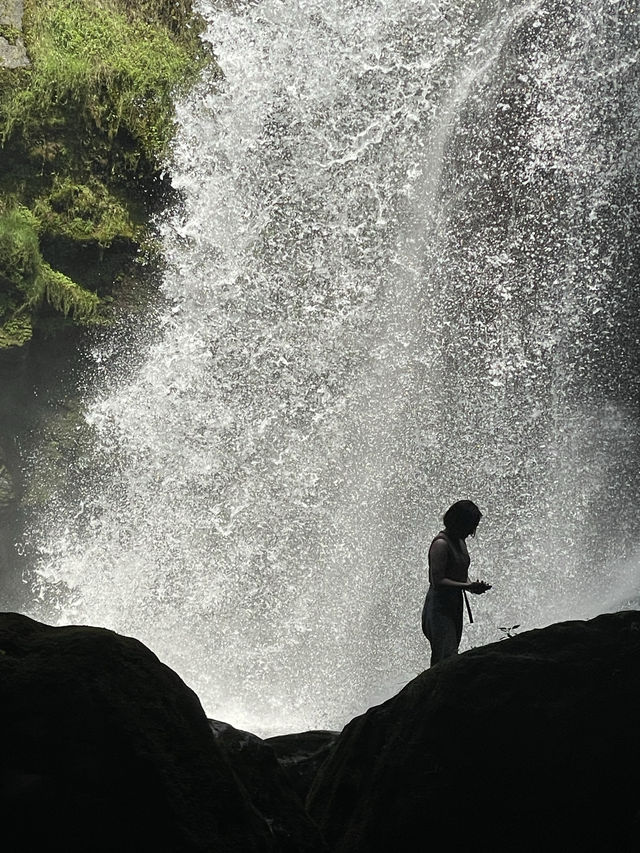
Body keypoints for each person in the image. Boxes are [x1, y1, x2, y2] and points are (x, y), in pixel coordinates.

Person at [421, 500, 491, 666]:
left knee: (451, 651)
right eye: (470, 526)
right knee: (444, 654)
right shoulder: (440, 544)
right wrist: (467, 586)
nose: (471, 531)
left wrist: (472, 586)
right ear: (459, 522)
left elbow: (460, 575)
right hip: (439, 607)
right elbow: (437, 581)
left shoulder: (460, 542)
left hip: (454, 604)